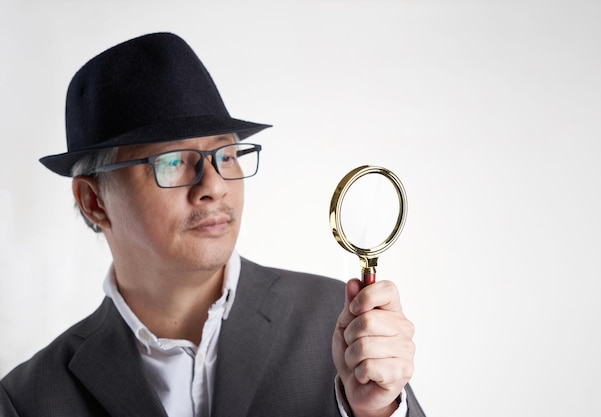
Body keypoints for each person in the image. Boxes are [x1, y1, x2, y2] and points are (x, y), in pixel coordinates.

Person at [0, 32, 426, 417]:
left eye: (225, 155)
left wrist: (376, 412)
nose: (214, 186)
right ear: (94, 201)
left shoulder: (340, 325)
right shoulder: (30, 398)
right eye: (171, 162)